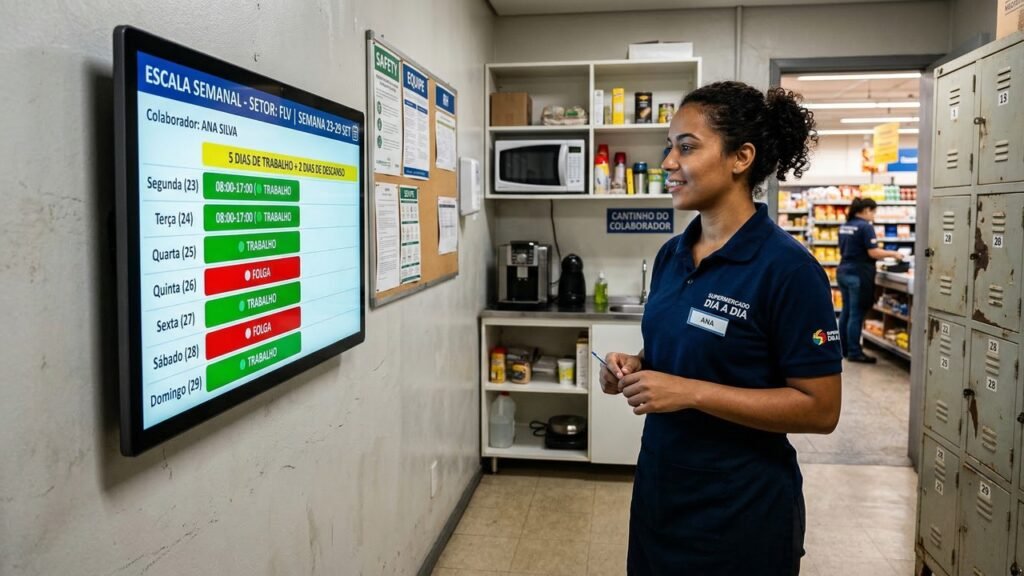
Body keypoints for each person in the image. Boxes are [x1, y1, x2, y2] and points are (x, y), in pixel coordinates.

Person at [599, 81, 843, 576]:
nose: (668, 162)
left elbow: (821, 409)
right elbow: (685, 348)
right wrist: (637, 366)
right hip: (662, 497)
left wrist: (689, 392)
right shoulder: (672, 254)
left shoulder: (788, 270)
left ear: (741, 157)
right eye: (669, 147)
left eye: (686, 147)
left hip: (741, 514)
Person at [836, 198, 904, 363]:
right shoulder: (865, 227)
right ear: (866, 210)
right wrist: (894, 254)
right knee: (856, 314)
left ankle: (842, 349)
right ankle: (854, 351)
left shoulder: (846, 225)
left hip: (843, 271)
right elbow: (873, 253)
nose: (874, 215)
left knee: (846, 312)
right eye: (873, 211)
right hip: (858, 275)